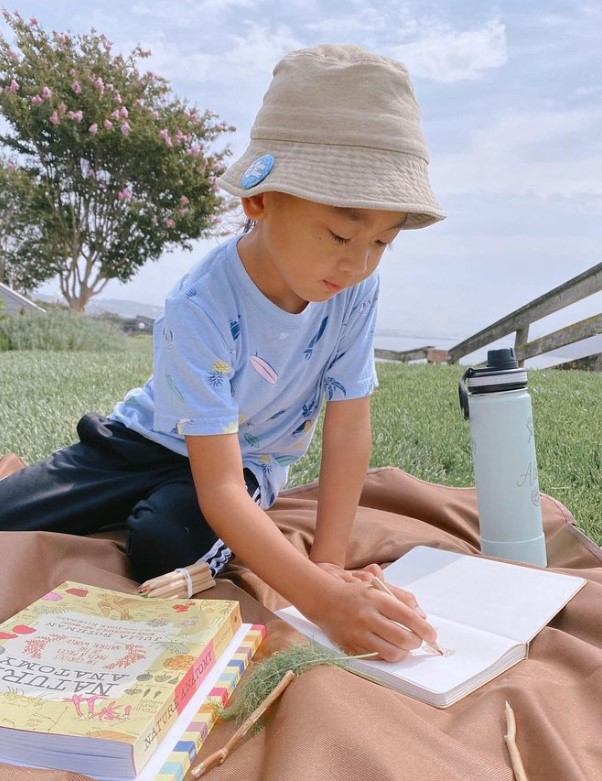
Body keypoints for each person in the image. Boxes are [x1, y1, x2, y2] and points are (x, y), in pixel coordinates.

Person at [0, 44, 445, 661]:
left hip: (245, 466)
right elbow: (214, 485)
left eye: (382, 243)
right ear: (258, 201)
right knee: (8, 513)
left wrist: (328, 567)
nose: (358, 262)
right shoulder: (201, 304)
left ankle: (160, 522)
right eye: (342, 233)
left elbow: (347, 429)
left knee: (163, 541)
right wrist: (321, 600)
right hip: (144, 440)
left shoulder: (355, 294)